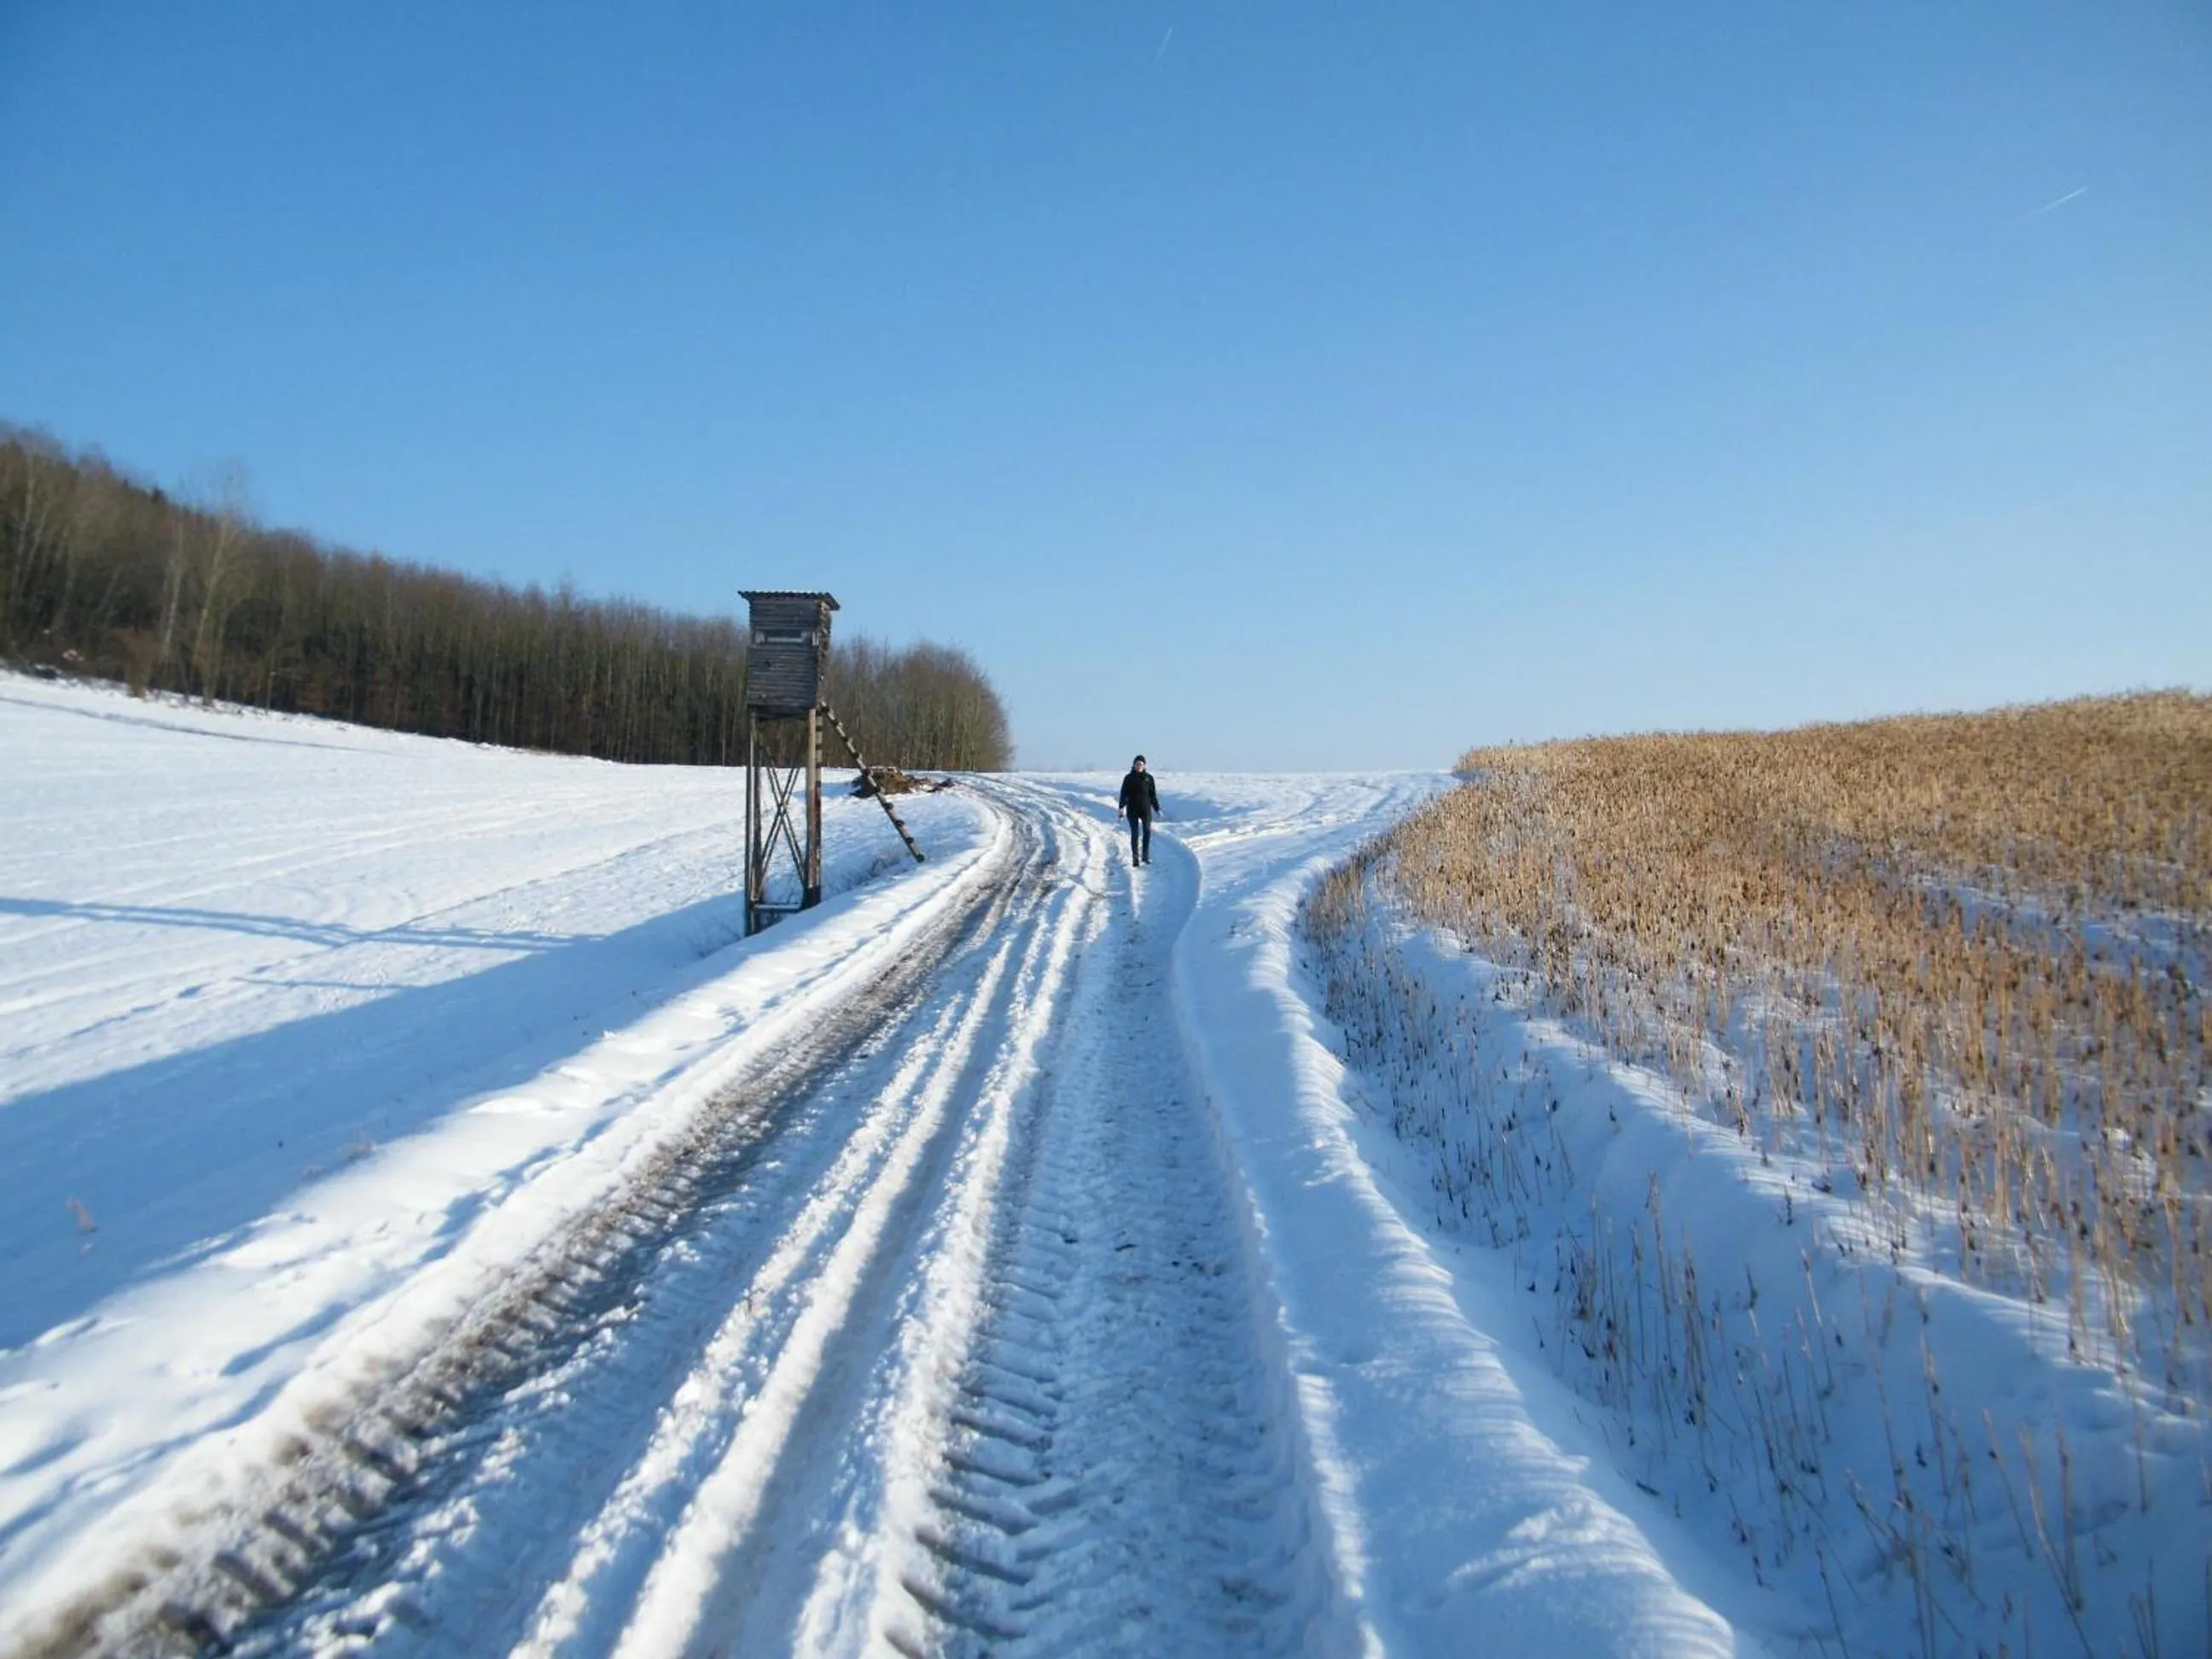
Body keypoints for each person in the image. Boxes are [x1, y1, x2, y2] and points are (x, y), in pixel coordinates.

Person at [1117, 754, 1161, 866]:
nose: (1139, 766)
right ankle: (1135, 859)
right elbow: (1123, 794)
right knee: (1135, 833)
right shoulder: (1129, 778)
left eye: (1141, 764)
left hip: (1145, 809)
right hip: (1132, 810)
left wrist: (1157, 808)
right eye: (1137, 764)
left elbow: (1153, 795)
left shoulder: (1149, 778)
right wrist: (1121, 807)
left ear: (1145, 766)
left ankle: (1145, 857)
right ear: (1134, 765)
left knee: (1147, 831)